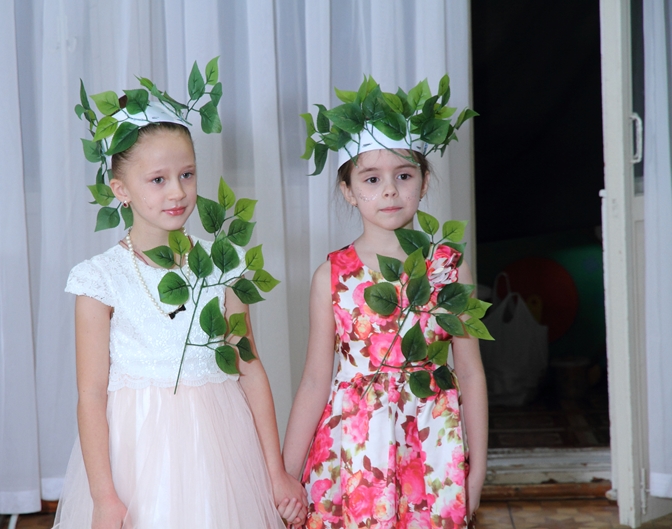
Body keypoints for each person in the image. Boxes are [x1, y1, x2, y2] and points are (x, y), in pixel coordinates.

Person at [54, 69, 306, 528]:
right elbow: (90, 396)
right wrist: (104, 497)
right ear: (121, 190)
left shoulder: (222, 264)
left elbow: (249, 369)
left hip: (220, 451)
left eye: (187, 174)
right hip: (137, 459)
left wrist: (275, 473)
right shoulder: (99, 280)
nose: (177, 191)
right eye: (158, 179)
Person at [282, 77, 488, 528]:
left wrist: (477, 471)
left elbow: (471, 372)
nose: (390, 190)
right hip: (354, 449)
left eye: (404, 176)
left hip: (432, 445)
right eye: (372, 179)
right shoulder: (332, 276)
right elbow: (315, 380)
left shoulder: (449, 269)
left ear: (424, 181)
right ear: (348, 190)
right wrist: (285, 476)